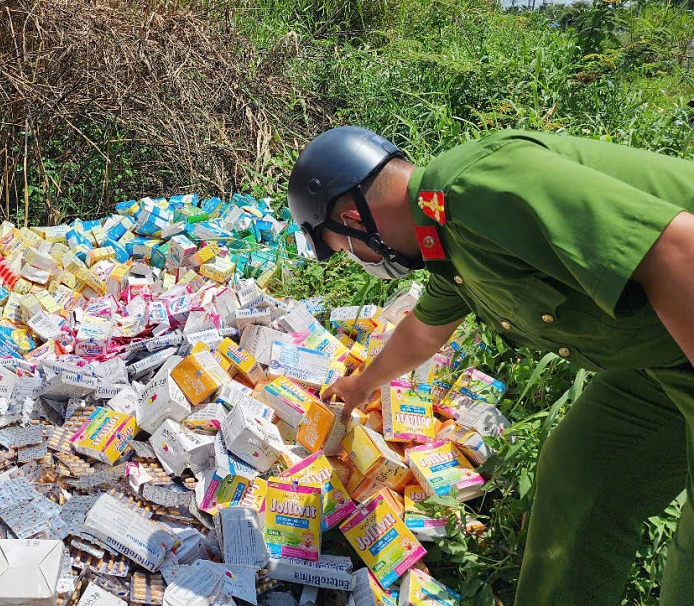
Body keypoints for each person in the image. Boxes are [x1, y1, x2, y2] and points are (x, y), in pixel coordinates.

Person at [287, 126, 694, 605]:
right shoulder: (445, 242)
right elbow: (424, 331)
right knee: (581, 473)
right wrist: (362, 384)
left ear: (355, 219)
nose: (358, 260)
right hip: (658, 357)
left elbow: (679, 250)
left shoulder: (476, 189)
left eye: (345, 249)